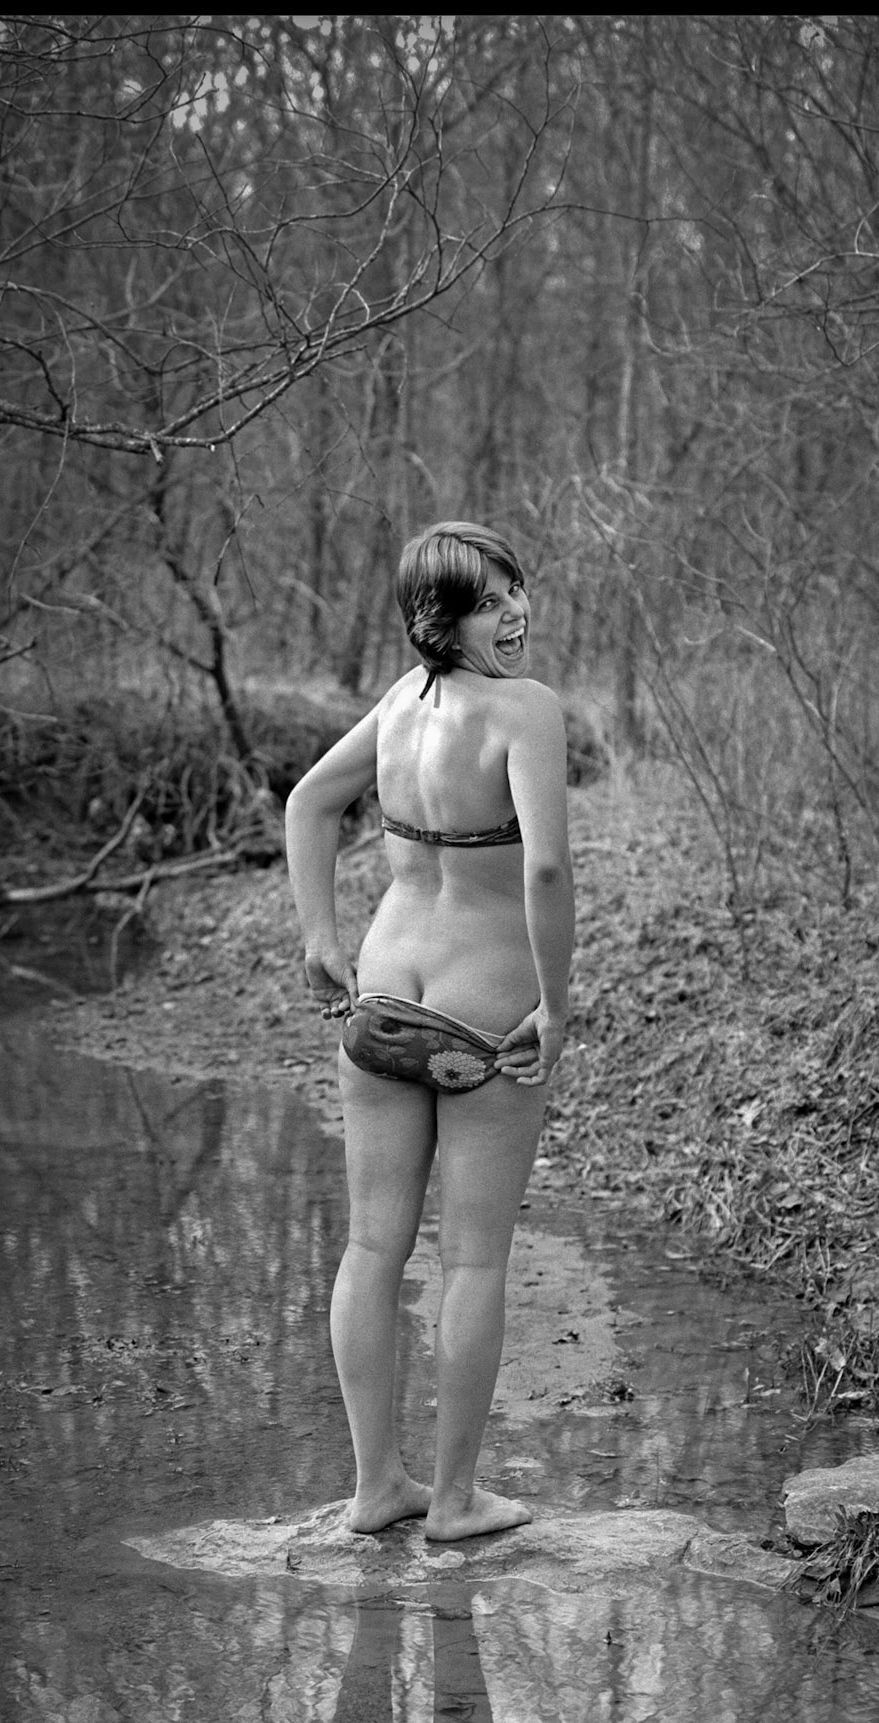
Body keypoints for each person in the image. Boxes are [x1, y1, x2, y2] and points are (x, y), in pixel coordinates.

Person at [285, 520, 573, 1542]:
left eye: (518, 590)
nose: (517, 613)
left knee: (371, 1244)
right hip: (485, 1023)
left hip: (379, 1008)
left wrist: (322, 935)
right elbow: (542, 868)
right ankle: (449, 1501)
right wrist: (558, 996)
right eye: (491, 601)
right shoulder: (527, 712)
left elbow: (311, 801)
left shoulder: (399, 708)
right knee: (475, 1262)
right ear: (440, 621)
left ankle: (376, 1489)